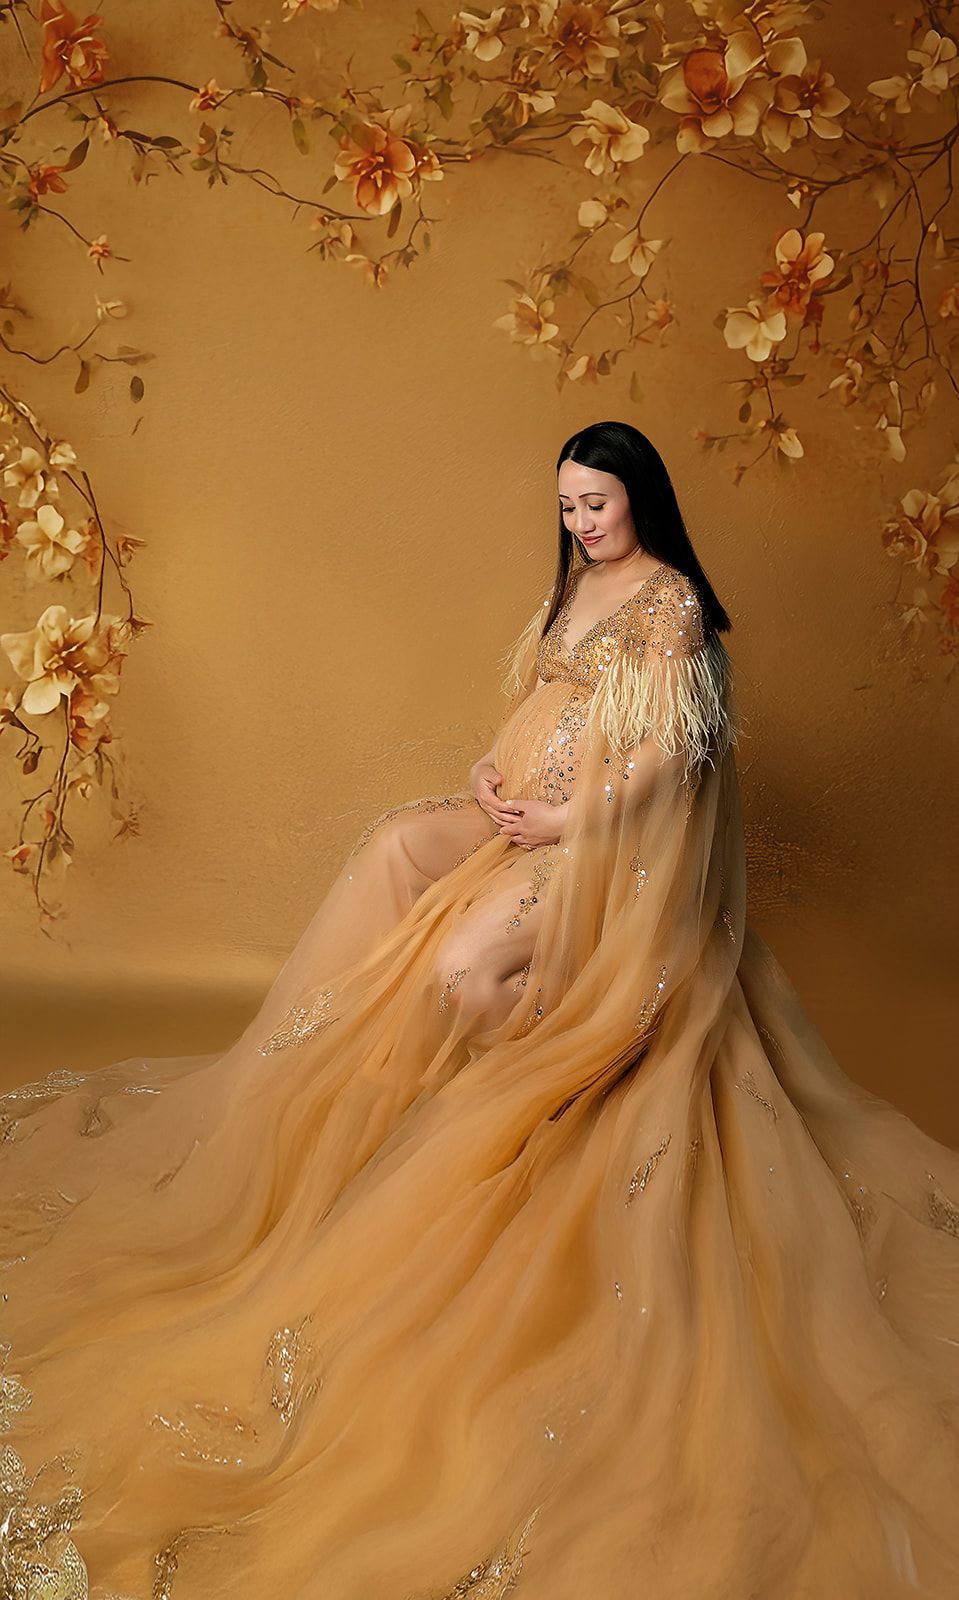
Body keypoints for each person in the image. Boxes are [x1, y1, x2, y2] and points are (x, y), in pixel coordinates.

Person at [1, 420, 957, 1600]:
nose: (578, 521)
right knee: (397, 842)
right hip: (529, 823)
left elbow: (667, 755)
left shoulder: (669, 606)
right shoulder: (577, 585)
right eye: (565, 504)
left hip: (608, 856)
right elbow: (546, 706)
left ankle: (527, 1075)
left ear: (638, 496)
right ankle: (303, 1070)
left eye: (595, 503)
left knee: (462, 966)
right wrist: (491, 780)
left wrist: (573, 821)